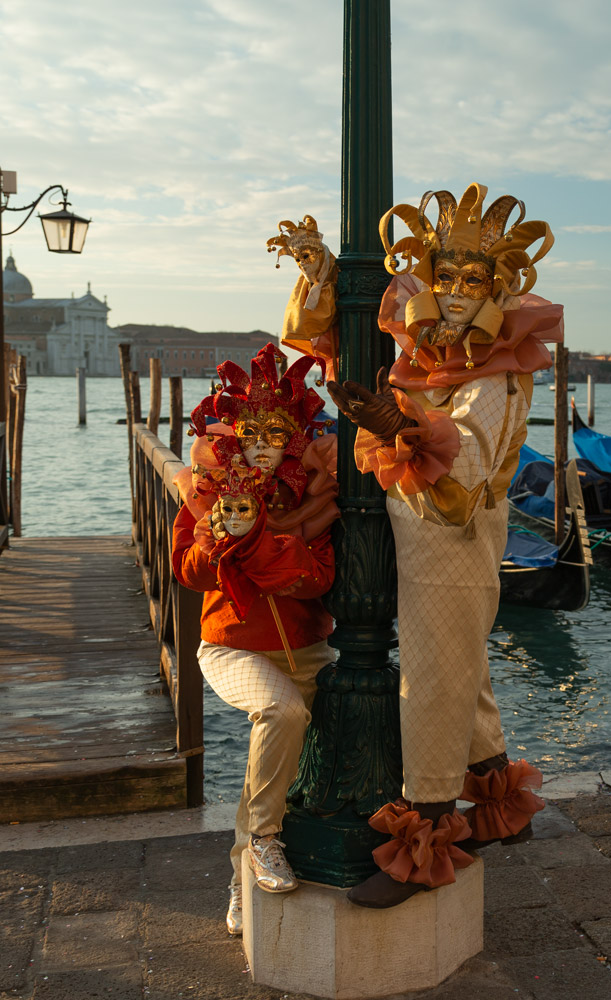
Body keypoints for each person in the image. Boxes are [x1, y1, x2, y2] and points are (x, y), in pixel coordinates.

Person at [325, 183, 563, 908]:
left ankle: (423, 843)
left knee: (430, 681)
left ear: (500, 289)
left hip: (451, 536)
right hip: (428, 532)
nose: (456, 294)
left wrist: (397, 428)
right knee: (466, 667)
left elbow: (471, 457)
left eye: (474, 281)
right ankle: (497, 813)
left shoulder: (499, 367)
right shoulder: (441, 353)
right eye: (446, 278)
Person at [172, 344, 338, 935]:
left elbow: (316, 579)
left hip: (309, 649)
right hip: (230, 645)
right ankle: (264, 842)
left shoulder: (316, 503)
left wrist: (264, 541)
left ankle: (242, 877)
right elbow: (188, 572)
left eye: (277, 433)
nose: (263, 445)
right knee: (280, 709)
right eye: (252, 433)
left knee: (277, 755)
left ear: (294, 440)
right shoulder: (208, 494)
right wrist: (220, 538)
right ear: (233, 438)